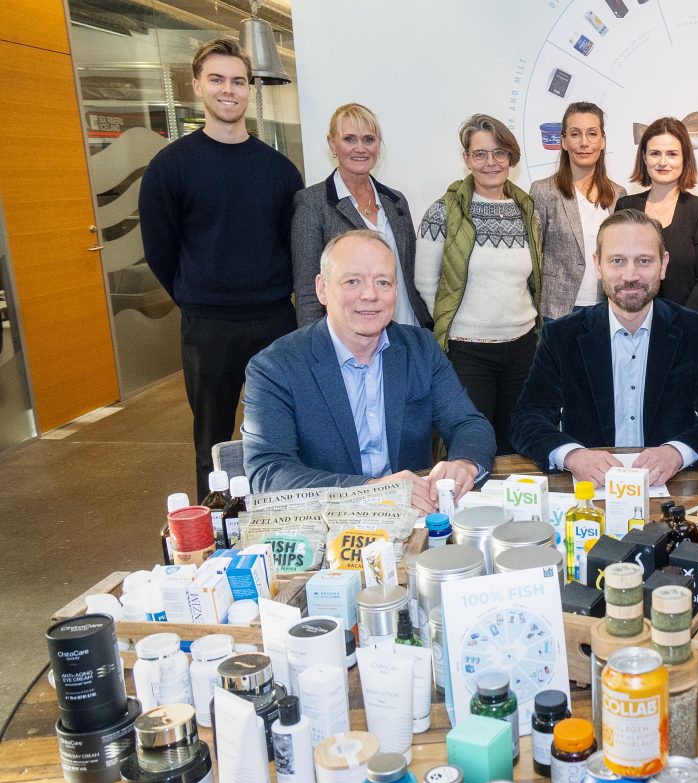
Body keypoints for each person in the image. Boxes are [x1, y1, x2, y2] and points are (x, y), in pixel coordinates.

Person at [139, 37, 302, 495]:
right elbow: (160, 250)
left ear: (250, 89)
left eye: (238, 81)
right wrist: (197, 296)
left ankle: (285, 515)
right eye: (217, 79)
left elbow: (292, 244)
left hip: (276, 319)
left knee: (286, 430)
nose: (228, 90)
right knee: (212, 440)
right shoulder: (170, 167)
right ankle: (216, 524)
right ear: (197, 86)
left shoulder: (279, 170)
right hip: (209, 326)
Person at [242, 230, 495, 514]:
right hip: (327, 525)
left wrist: (465, 463)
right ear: (322, 289)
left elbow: (468, 423)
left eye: (383, 282)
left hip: (416, 521)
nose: (370, 295)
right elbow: (269, 473)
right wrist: (371, 491)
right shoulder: (274, 367)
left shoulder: (420, 348)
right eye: (353, 281)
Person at [510, 209, 698, 487]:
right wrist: (573, 456)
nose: (630, 275)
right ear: (598, 265)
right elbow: (527, 419)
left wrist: (676, 453)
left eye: (644, 261)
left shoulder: (697, 332)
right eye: (617, 261)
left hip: (671, 487)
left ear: (663, 264)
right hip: (591, 491)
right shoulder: (562, 336)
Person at [415, 114, 543, 455]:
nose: (491, 162)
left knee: (518, 447)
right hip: (467, 352)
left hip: (522, 349)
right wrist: (462, 325)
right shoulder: (442, 212)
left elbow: (532, 280)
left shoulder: (527, 211)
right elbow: (425, 282)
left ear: (511, 158)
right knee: (471, 448)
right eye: (480, 154)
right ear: (466, 158)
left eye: (500, 153)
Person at [292, 103, 430, 329]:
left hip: (407, 327)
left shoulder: (395, 201)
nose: (360, 148)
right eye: (349, 139)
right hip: (352, 335)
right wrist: (316, 344)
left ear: (378, 145)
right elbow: (308, 291)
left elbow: (411, 274)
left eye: (368, 139)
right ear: (332, 143)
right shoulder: (313, 203)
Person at [616, 117, 698, 312]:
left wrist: (680, 323)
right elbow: (617, 272)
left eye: (672, 154)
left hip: (686, 323)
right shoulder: (626, 206)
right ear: (644, 157)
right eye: (655, 153)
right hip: (633, 322)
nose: (662, 162)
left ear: (685, 158)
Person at [532, 102, 624, 319]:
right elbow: (532, 257)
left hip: (606, 309)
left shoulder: (618, 194)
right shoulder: (543, 191)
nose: (584, 143)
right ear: (563, 141)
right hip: (556, 311)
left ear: (602, 141)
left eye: (592, 134)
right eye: (575, 134)